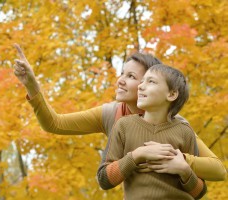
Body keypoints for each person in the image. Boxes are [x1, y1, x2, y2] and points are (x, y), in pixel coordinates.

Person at [13, 44, 226, 182]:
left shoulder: (175, 124)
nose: (120, 81)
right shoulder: (111, 114)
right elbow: (54, 124)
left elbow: (218, 170)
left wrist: (180, 160)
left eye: (131, 76)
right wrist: (32, 87)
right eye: (121, 74)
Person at [97, 64, 206, 199]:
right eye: (142, 81)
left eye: (151, 81)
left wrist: (184, 170)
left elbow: (199, 193)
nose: (140, 86)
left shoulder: (185, 132)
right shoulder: (123, 125)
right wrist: (137, 155)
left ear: (171, 94)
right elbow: (104, 180)